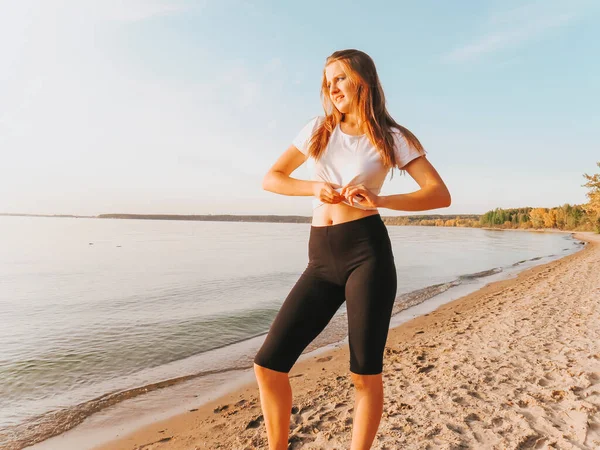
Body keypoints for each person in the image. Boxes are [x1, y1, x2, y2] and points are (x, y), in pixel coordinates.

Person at [253, 49, 451, 450]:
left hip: (367, 254)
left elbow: (439, 195)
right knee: (269, 364)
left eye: (340, 77)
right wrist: (313, 188)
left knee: (364, 373)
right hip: (320, 259)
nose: (332, 87)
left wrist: (380, 200)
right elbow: (272, 178)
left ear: (362, 78)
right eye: (328, 81)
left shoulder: (394, 137)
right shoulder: (319, 129)